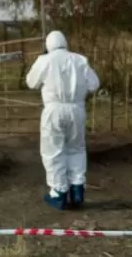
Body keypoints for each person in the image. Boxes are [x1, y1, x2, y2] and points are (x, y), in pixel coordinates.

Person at [25, 30, 100, 211]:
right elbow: (94, 84)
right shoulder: (80, 60)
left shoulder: (44, 60)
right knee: (76, 148)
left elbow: (31, 82)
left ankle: (58, 193)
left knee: (53, 150)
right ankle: (77, 189)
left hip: (54, 109)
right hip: (76, 109)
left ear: (48, 45)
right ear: (65, 43)